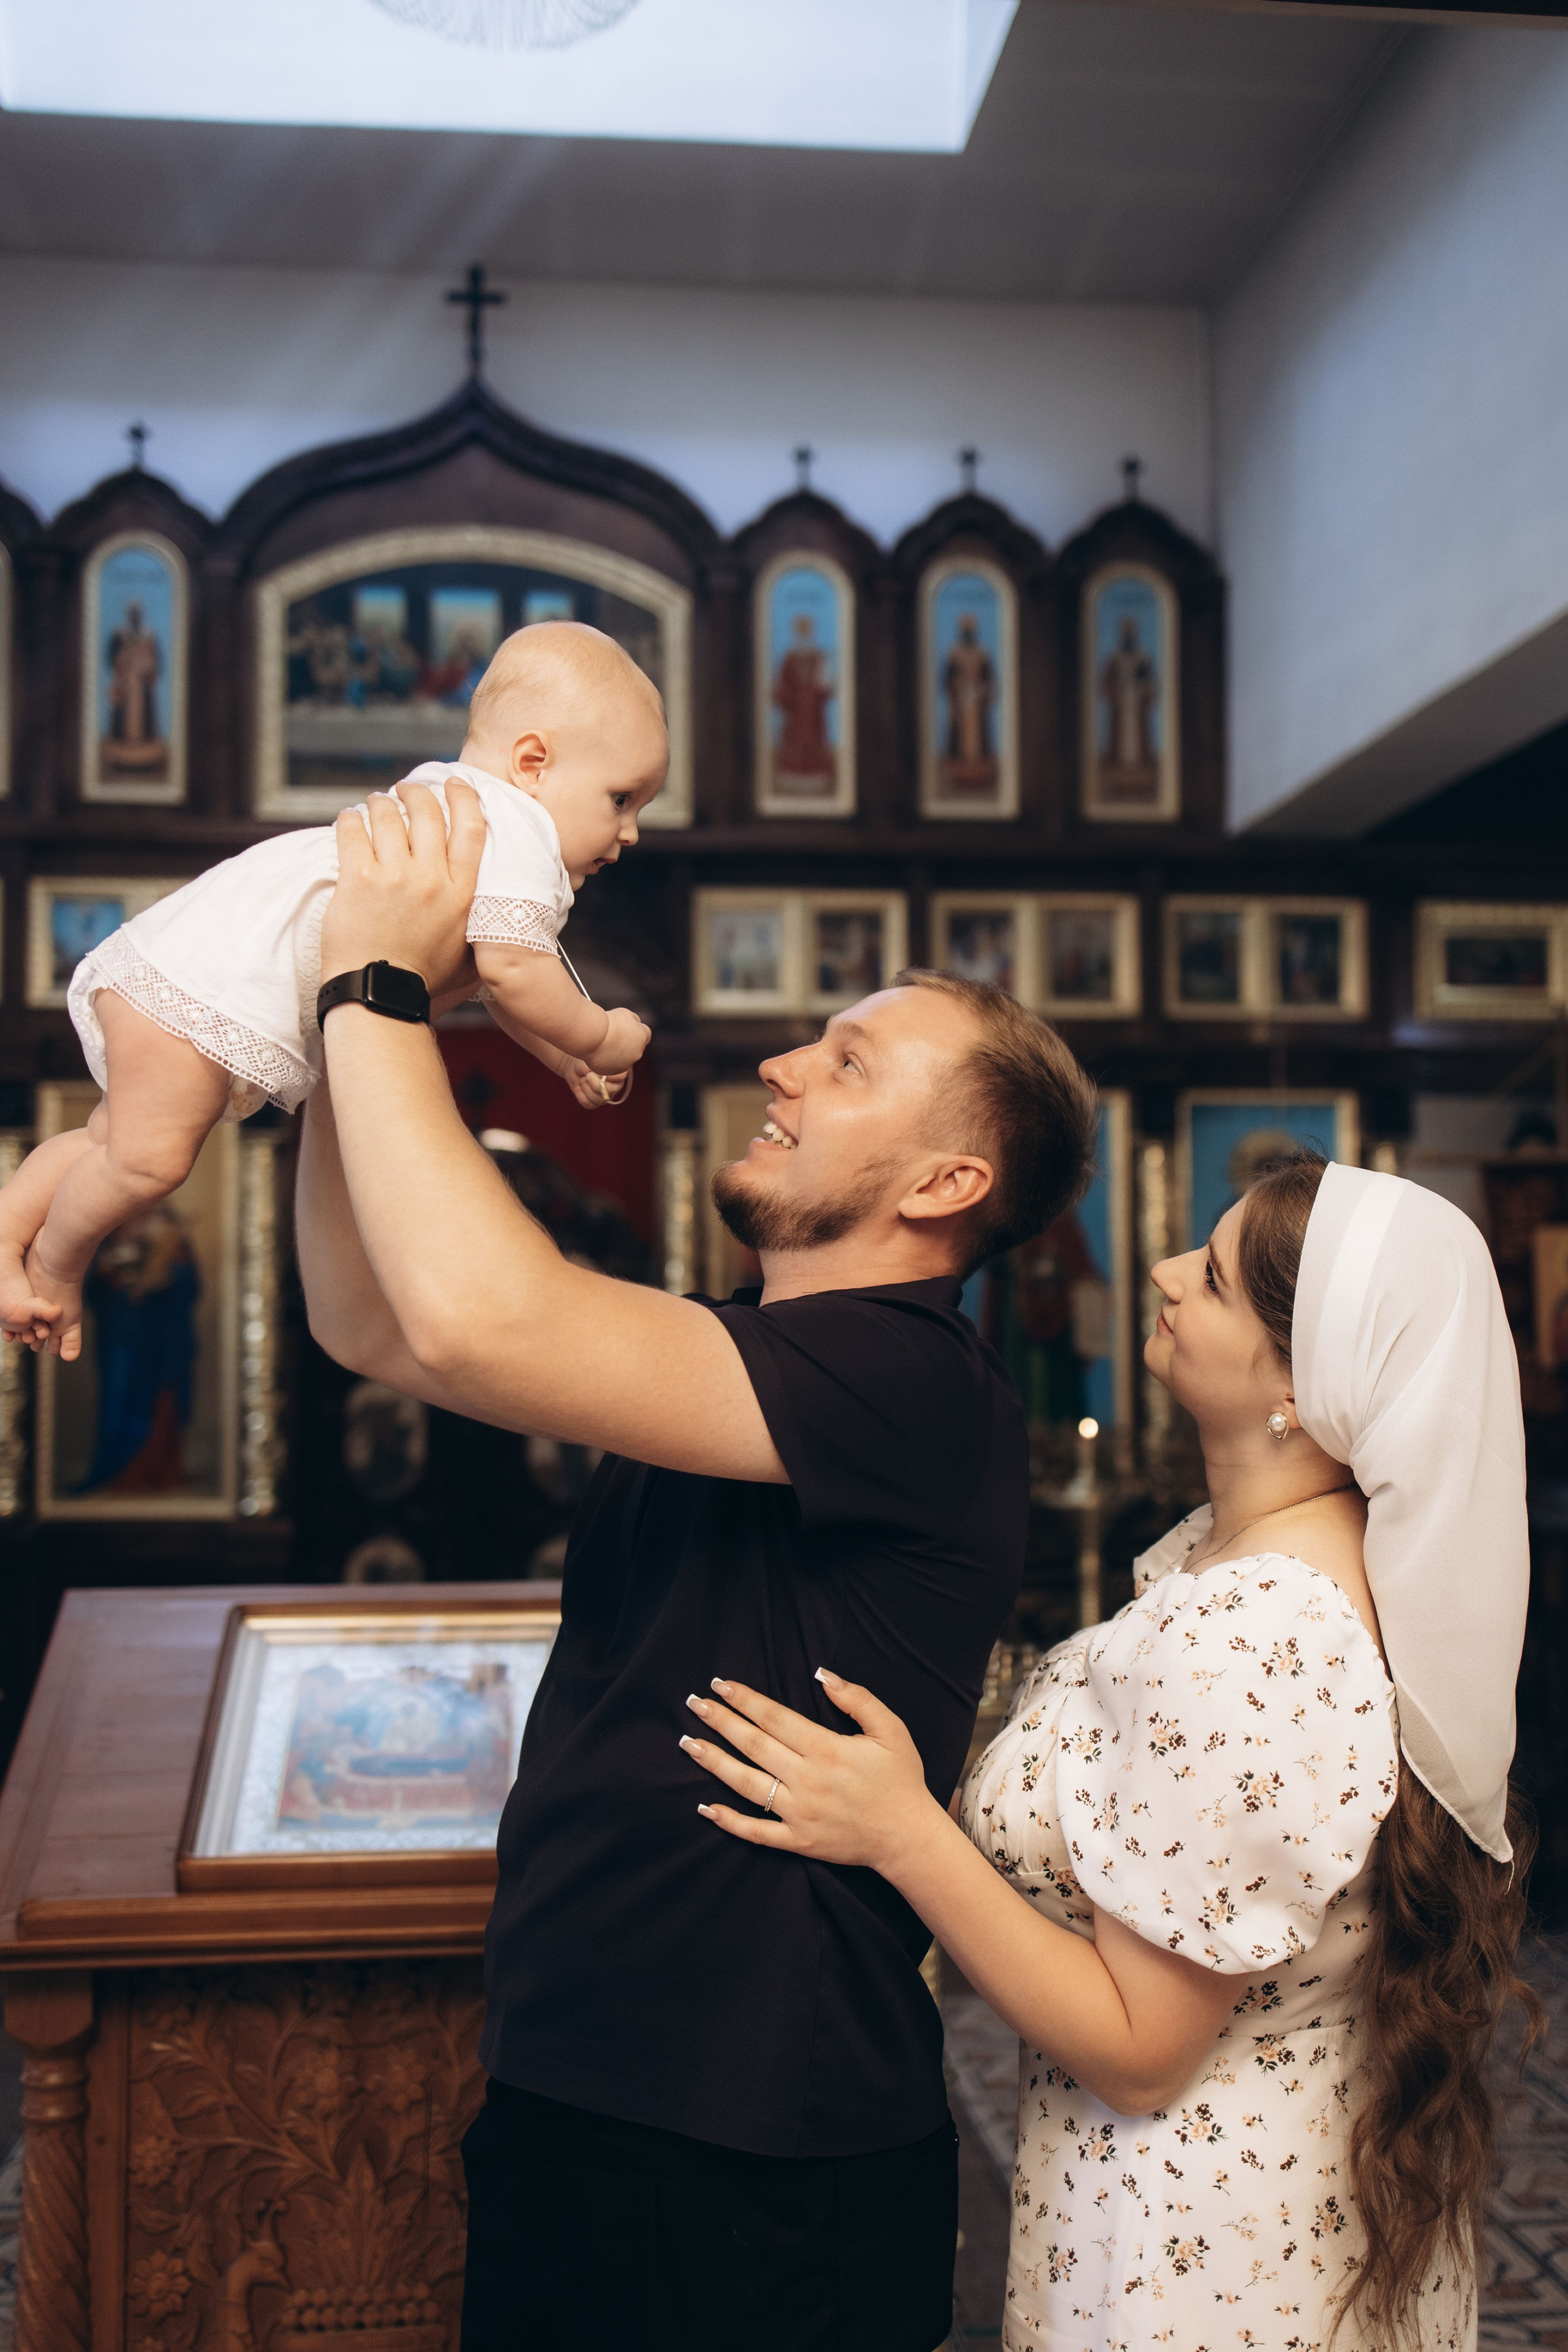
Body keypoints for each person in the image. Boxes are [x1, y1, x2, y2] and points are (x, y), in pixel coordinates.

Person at [292, 776, 1099, 2351]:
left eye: (849, 1060)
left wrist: (383, 987)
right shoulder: (741, 1352)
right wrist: (342, 1019)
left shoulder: (916, 1382)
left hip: (754, 2146)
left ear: (945, 1184)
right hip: (579, 2086)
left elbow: (483, 1312)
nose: (785, 1065)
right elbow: (375, 1320)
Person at [685, 1150, 1540, 2352]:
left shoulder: (1248, 1636)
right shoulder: (1248, 1566)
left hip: (1197, 2264)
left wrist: (900, 1832)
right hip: (1241, 2217)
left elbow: (1138, 2053)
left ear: (1306, 1380)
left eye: (1214, 1276)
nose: (1160, 1271)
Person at [0, 621, 663, 1362]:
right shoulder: (516, 832)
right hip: (210, 975)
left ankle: (7, 1227)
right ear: (533, 763)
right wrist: (599, 1035)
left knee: (114, 1144)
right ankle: (56, 1266)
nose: (631, 831)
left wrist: (560, 1055)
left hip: (192, 956)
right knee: (151, 1162)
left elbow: (498, 982)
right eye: (621, 798)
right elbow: (516, 973)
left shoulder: (464, 802)